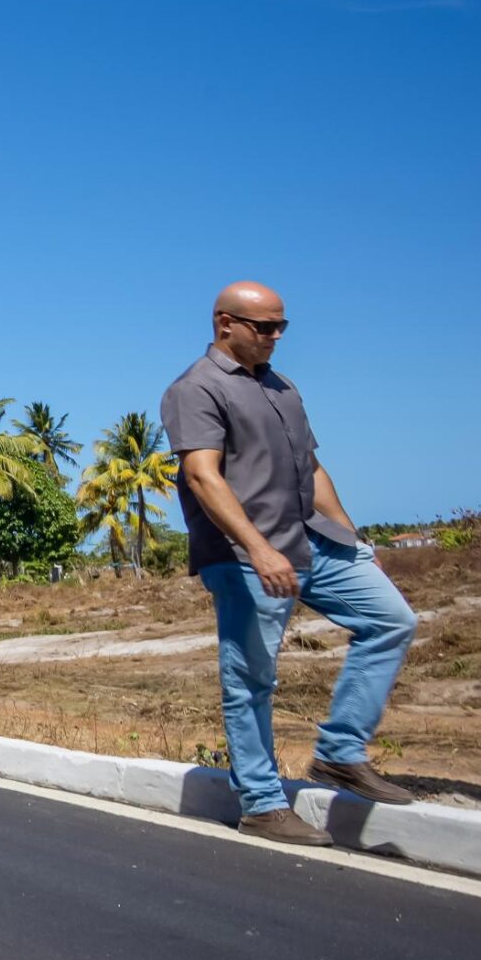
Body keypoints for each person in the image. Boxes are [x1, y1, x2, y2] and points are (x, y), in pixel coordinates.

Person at [162, 280, 417, 846]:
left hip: (312, 540)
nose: (276, 336)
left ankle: (340, 753)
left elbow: (313, 468)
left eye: (282, 326)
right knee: (251, 679)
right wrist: (258, 548)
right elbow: (202, 475)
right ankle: (261, 803)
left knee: (392, 620)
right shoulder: (195, 388)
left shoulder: (283, 387)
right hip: (244, 553)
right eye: (265, 326)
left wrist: (352, 539)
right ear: (224, 323)